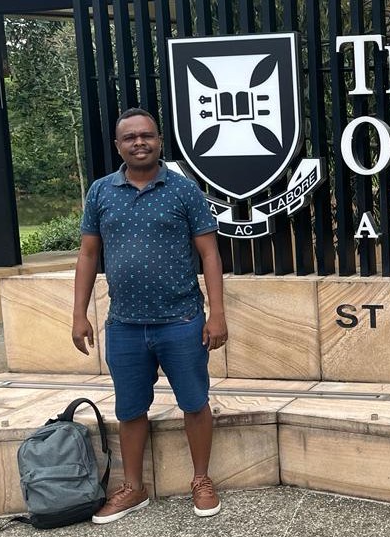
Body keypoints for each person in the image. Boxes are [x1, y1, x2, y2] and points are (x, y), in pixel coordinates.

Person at [71, 108, 228, 524]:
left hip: (181, 321)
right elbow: (88, 254)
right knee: (129, 409)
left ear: (159, 141)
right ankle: (134, 488)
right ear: (119, 145)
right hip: (123, 324)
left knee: (195, 403)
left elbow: (210, 253)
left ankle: (201, 479)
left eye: (147, 136)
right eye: (130, 138)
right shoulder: (101, 192)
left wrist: (217, 314)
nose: (139, 142)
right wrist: (79, 314)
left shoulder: (184, 190)